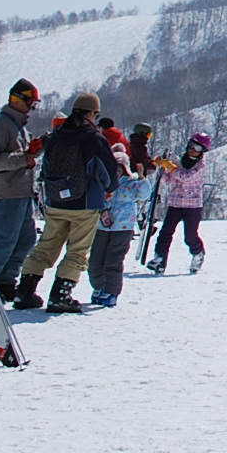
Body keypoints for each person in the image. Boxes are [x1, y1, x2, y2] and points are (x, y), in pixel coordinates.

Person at [13, 92, 122, 313]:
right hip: (85, 203)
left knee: (46, 245)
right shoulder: (93, 138)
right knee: (78, 251)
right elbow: (108, 173)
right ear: (92, 113)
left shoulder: (57, 135)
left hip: (55, 201)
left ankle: (25, 291)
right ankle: (60, 295)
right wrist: (109, 190)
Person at [0, 79, 43, 299]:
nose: (32, 109)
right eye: (31, 104)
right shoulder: (0, 126)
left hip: (21, 193)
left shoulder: (19, 128)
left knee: (25, 241)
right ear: (17, 100)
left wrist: (33, 152)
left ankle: (5, 282)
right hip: (5, 194)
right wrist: (23, 158)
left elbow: (21, 158)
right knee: (3, 242)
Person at [90, 136, 147, 307]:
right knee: (95, 260)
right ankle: (99, 286)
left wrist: (142, 177)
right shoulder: (102, 183)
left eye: (119, 169)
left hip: (122, 227)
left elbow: (144, 194)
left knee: (113, 260)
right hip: (102, 227)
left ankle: (112, 291)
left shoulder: (130, 184)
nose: (116, 173)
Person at [147, 133, 212, 273]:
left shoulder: (200, 165)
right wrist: (163, 169)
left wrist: (170, 167)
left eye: (197, 148)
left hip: (192, 205)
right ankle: (160, 259)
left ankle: (198, 253)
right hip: (175, 203)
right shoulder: (180, 161)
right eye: (191, 145)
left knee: (190, 236)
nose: (192, 150)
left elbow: (186, 177)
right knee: (166, 232)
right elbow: (171, 180)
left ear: (203, 151)